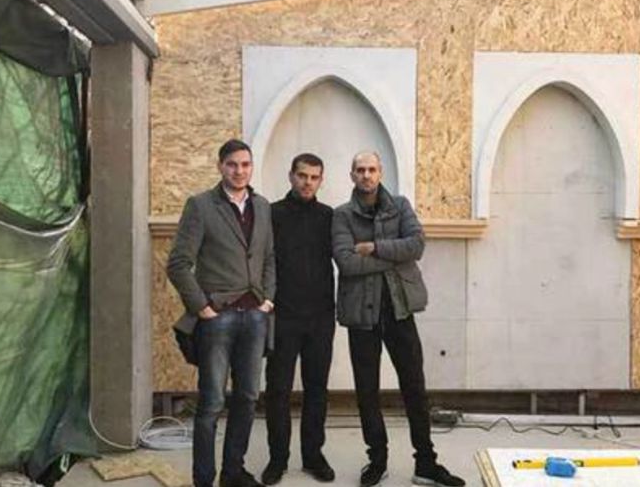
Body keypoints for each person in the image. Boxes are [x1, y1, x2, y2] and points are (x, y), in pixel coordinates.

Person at [332, 151, 466, 487]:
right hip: (362, 316)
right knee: (367, 391)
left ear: (380, 172)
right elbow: (347, 262)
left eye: (371, 169)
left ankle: (426, 463)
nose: (366, 175)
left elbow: (417, 245)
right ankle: (377, 461)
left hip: (399, 310)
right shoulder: (342, 215)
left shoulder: (401, 206)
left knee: (414, 387)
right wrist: (395, 254)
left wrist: (374, 248)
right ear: (351, 175)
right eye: (360, 170)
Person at [167, 139, 275, 487]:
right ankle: (203, 479)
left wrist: (268, 300)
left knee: (247, 398)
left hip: (255, 316)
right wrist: (202, 307)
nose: (239, 171)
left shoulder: (262, 206)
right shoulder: (201, 206)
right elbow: (178, 264)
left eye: (245, 164)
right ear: (220, 167)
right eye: (232, 164)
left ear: (251, 167)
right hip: (218, 319)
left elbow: (269, 257)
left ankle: (233, 472)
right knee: (212, 403)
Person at [262, 154, 336, 485]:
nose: (308, 182)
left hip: (321, 317)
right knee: (278, 390)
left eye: (314, 177)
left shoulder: (329, 217)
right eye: (302, 175)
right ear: (291, 176)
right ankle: (277, 459)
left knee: (317, 389)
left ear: (321, 181)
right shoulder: (272, 214)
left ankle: (313, 456)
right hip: (283, 316)